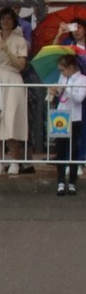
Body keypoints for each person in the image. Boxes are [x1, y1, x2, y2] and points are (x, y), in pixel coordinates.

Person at [0, 6, 30, 174]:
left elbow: (21, 66)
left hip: (13, 79)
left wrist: (6, 49)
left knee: (11, 121)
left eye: (8, 19)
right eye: (2, 19)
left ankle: (15, 161)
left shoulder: (20, 40)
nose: (5, 22)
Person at [51, 50, 85, 195]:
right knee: (61, 149)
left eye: (63, 70)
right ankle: (60, 181)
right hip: (61, 115)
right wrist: (56, 91)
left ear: (71, 68)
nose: (62, 72)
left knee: (73, 150)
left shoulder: (82, 79)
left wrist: (68, 88)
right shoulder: (62, 78)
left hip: (75, 116)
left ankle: (71, 182)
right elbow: (60, 95)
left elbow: (78, 98)